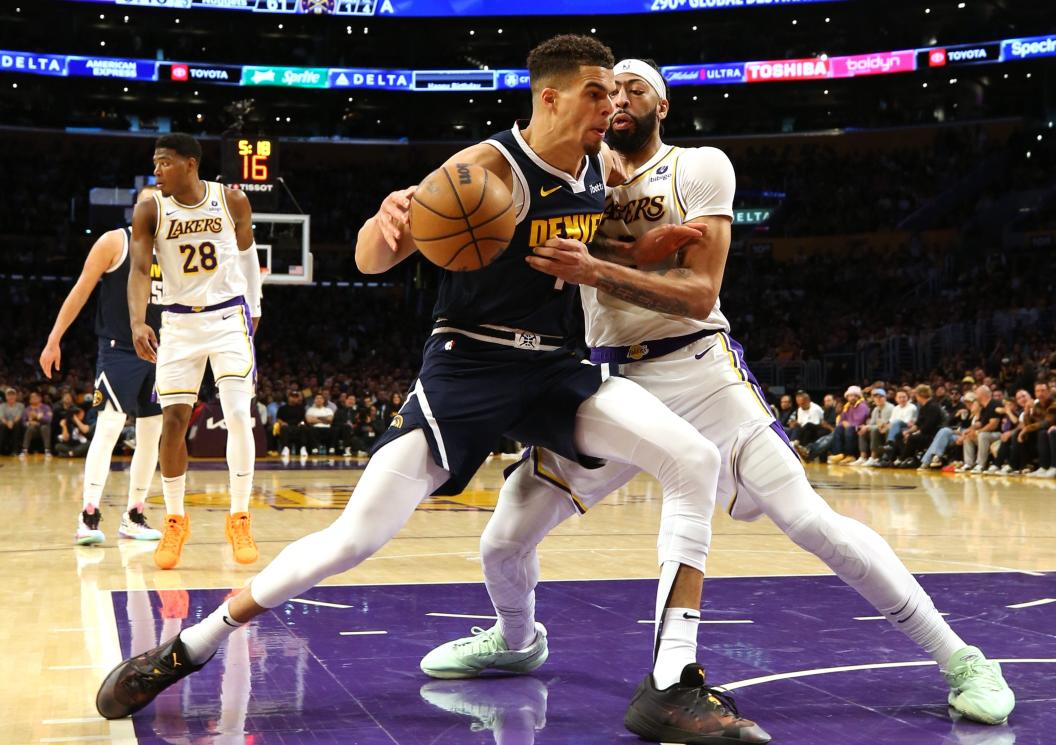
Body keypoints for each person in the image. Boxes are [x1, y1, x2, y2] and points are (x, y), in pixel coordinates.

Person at [98, 36, 753, 744]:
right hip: (468, 367)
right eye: (598, 93)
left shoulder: (597, 165)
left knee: (693, 457)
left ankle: (670, 683)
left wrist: (632, 251)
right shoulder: (479, 170)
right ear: (551, 97)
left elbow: (578, 236)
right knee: (357, 535)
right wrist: (384, 228)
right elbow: (369, 256)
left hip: (556, 371)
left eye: (618, 94)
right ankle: (190, 644)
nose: (613, 105)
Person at [418, 57, 1014, 736]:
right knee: (503, 539)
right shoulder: (582, 178)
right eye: (609, 90)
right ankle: (515, 637)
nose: (619, 98)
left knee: (811, 521)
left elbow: (699, 293)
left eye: (635, 88)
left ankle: (962, 658)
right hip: (607, 383)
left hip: (700, 371)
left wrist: (599, 267)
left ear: (662, 105)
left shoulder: (698, 166)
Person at [125, 133, 264, 570]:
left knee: (239, 414)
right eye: (154, 162)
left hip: (227, 318)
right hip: (179, 321)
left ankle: (239, 516)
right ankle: (174, 520)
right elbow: (137, 269)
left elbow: (247, 258)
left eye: (164, 162)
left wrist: (254, 310)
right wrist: (136, 320)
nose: (156, 170)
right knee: (173, 420)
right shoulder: (151, 208)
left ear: (190, 163)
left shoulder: (232, 201)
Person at [41, 186, 165, 545]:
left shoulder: (173, 250)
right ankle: (89, 515)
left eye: (159, 203)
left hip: (163, 353)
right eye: (146, 202)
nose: (152, 208)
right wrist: (54, 337)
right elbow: (81, 289)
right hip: (120, 350)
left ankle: (135, 514)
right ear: (134, 208)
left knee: (150, 438)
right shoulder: (116, 241)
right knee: (108, 429)